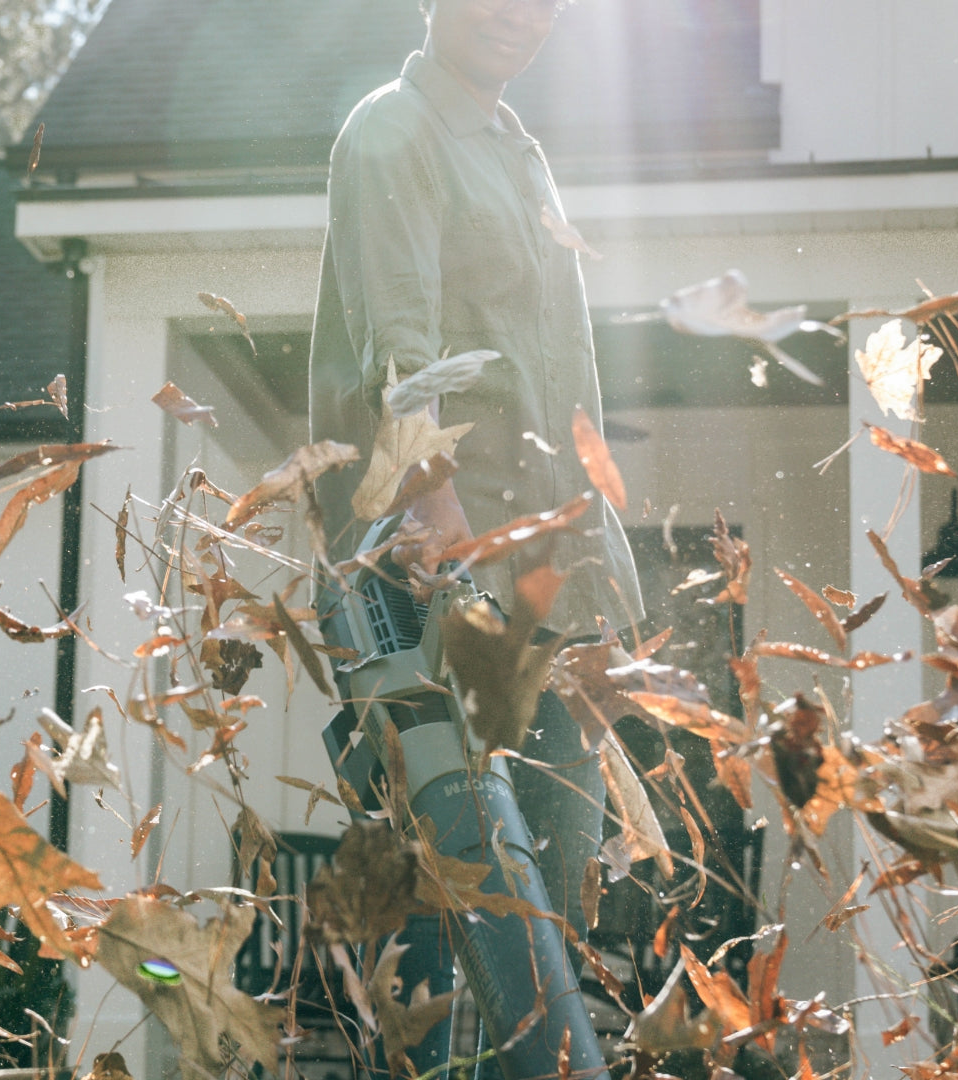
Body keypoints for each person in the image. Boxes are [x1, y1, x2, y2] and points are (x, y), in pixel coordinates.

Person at [307, 0, 643, 1074]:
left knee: (555, 927)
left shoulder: (519, 155)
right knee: (490, 930)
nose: (516, 12)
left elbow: (570, 393)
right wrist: (439, 538)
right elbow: (402, 356)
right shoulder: (393, 131)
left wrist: (601, 587)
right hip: (441, 589)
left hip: (546, 590)